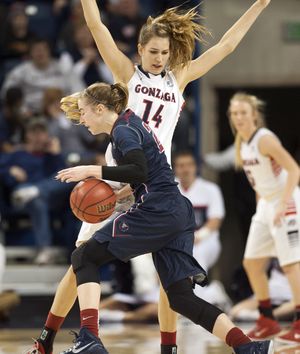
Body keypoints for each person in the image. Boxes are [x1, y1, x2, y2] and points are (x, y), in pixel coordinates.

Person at [27, 1, 272, 353]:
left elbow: (226, 46)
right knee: (80, 260)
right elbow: (97, 26)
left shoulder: (179, 77)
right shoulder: (127, 74)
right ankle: (49, 338)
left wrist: (259, 5)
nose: (159, 58)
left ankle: (166, 347)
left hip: (153, 182)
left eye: (165, 52)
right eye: (153, 51)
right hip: (115, 183)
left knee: (168, 277)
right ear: (140, 49)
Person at [56, 81, 273, 354]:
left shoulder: (123, 130)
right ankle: (247, 347)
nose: (82, 119)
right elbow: (145, 174)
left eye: (84, 112)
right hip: (177, 211)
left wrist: (91, 170)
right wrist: (122, 194)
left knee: (83, 256)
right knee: (181, 298)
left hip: (157, 210)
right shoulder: (130, 123)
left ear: (100, 109)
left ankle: (89, 339)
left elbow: (138, 170)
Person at [228, 92, 300, 344]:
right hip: (267, 204)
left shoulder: (264, 139)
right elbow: (259, 180)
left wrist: (283, 203)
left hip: (287, 201)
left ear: (254, 115)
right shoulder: (242, 142)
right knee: (252, 263)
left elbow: (294, 169)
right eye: (235, 113)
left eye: (243, 113)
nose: (239, 117)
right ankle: (267, 319)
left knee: (290, 264)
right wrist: (263, 207)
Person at [173, 151, 231, 310]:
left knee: (195, 257)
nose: (185, 169)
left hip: (204, 241)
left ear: (195, 167)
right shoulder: (169, 189)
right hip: (176, 242)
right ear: (175, 169)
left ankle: (193, 306)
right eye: (181, 165)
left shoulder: (210, 189)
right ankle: (213, 293)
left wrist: (197, 236)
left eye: (189, 165)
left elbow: (215, 220)